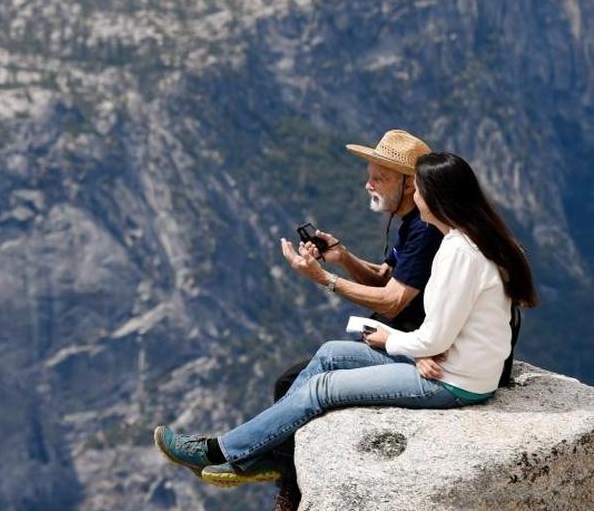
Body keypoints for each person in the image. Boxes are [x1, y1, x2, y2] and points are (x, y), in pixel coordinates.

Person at [153, 152, 538, 493]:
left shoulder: (458, 251)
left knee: (321, 389)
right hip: (454, 364)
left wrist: (388, 338)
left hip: (456, 382)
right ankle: (269, 454)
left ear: (433, 196)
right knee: (330, 353)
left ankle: (220, 450)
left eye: (418, 189)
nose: (415, 197)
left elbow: (433, 335)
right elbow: (438, 320)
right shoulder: (465, 239)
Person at [271, 129, 444, 508]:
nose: (368, 184)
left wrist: (325, 279)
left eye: (379, 177)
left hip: (414, 350)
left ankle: (287, 488)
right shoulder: (412, 222)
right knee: (294, 380)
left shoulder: (426, 229)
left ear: (410, 183)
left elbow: (393, 301)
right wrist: (342, 256)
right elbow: (387, 276)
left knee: (292, 381)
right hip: (402, 339)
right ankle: (282, 471)